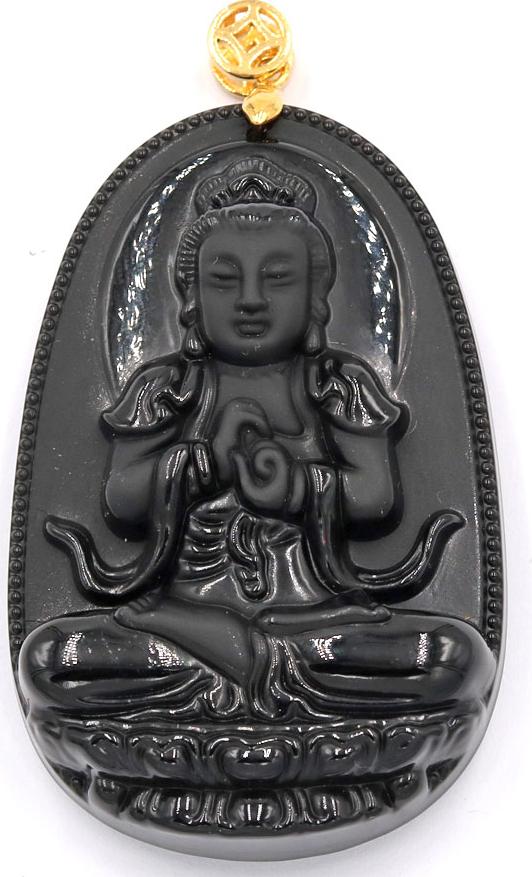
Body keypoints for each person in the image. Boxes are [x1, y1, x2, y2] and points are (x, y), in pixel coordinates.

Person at [19, 157, 495, 721]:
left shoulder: (339, 384)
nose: (250, 300)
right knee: (55, 659)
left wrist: (296, 489)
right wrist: (204, 465)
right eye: (224, 280)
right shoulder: (166, 387)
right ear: (191, 298)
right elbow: (121, 498)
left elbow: (376, 497)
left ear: (317, 297)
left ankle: (240, 672)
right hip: (182, 615)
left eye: (278, 279)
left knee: (447, 658)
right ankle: (264, 678)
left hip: (315, 616)